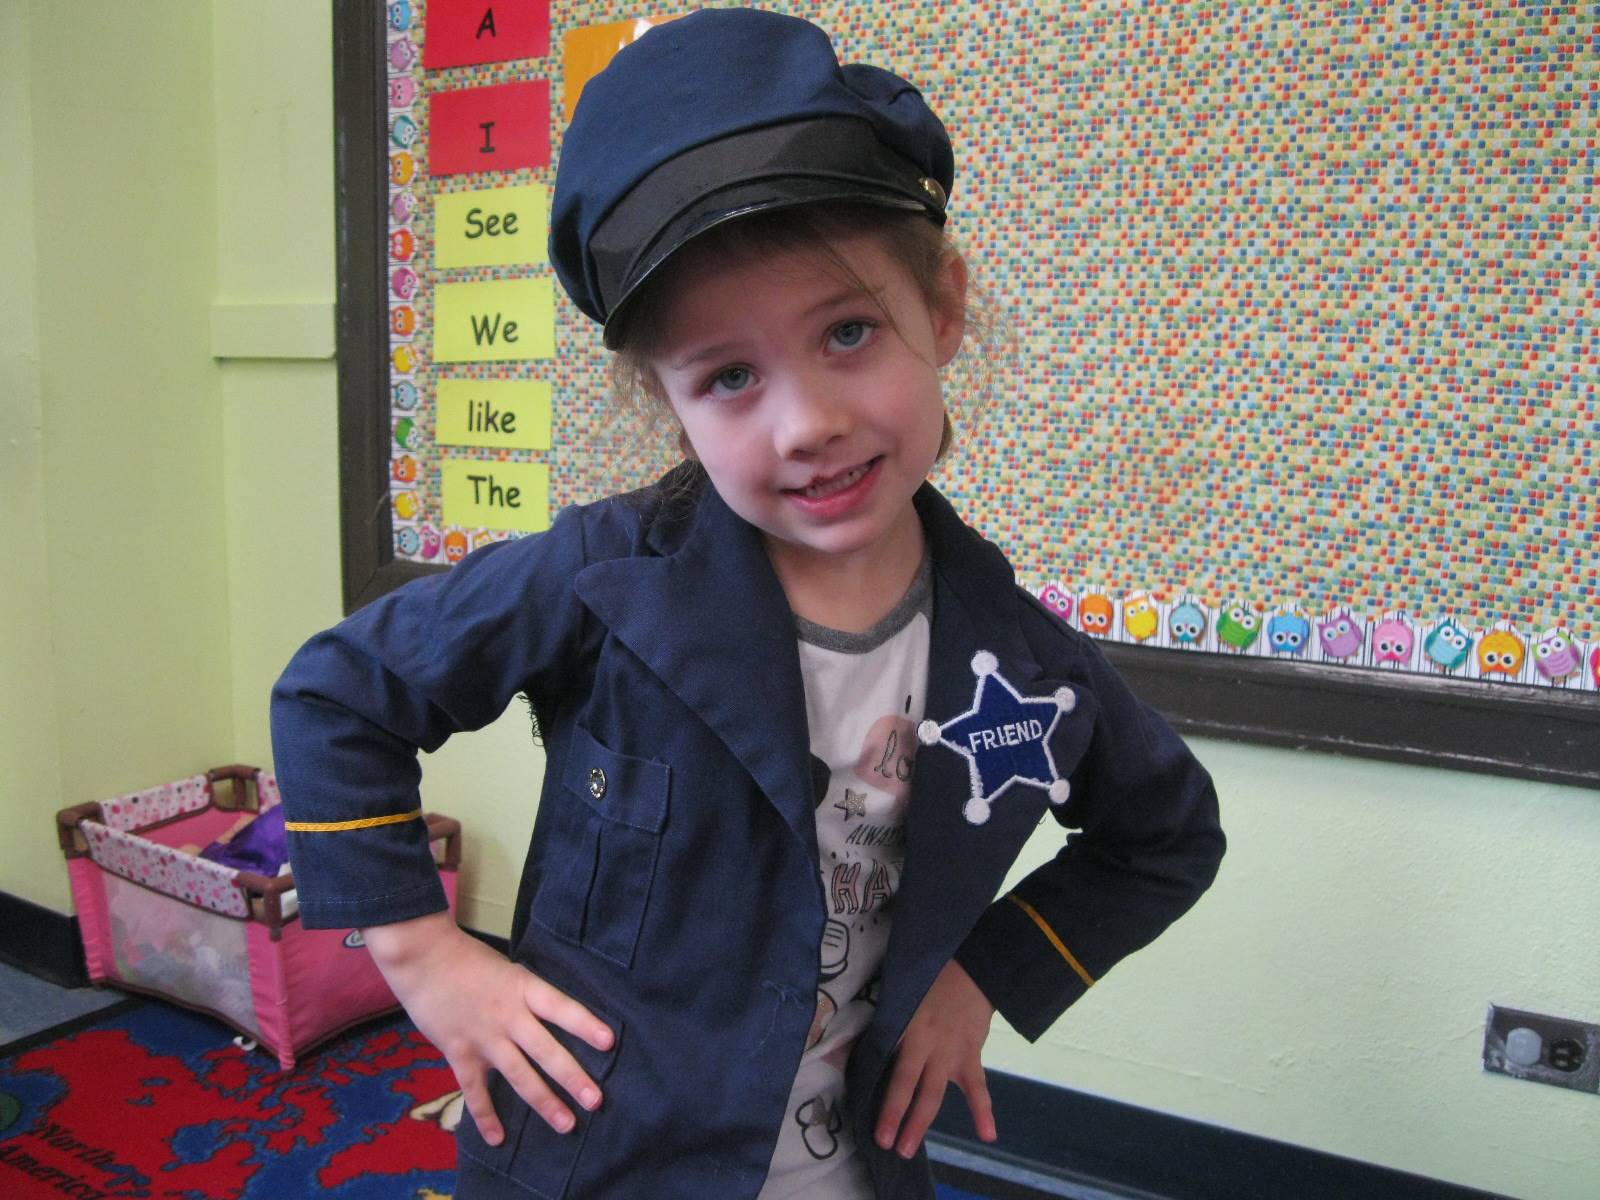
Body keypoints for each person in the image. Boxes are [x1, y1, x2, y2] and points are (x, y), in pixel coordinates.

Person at [271, 9, 1224, 1199]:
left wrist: (985, 978)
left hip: (853, 1171)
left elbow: (1166, 835)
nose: (805, 422)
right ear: (671, 406)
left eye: (847, 331)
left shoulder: (1022, 662)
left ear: (942, 310)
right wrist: (420, 953)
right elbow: (336, 694)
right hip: (595, 1159)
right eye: (729, 377)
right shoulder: (600, 578)